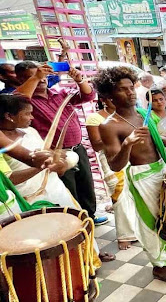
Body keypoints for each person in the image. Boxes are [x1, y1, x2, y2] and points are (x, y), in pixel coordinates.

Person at [95, 66, 166, 284]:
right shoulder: (109, 125)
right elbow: (115, 165)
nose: (129, 93)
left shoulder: (141, 113)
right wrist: (127, 144)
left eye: (131, 87)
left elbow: (157, 138)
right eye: (122, 89)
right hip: (142, 175)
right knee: (152, 221)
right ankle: (159, 265)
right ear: (109, 96)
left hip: (162, 166)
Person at [0, 94, 115, 264]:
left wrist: (60, 158)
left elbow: (45, 154)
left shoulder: (30, 131)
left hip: (54, 188)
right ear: (9, 116)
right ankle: (70, 270)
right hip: (28, 197)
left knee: (76, 224)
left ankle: (92, 256)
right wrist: (41, 165)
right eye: (27, 114)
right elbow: (10, 180)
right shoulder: (3, 142)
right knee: (48, 238)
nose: (32, 117)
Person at [15, 61, 108, 226]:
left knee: (86, 186)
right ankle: (75, 223)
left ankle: (90, 217)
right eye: (34, 76)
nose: (42, 79)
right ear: (22, 80)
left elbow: (88, 95)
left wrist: (79, 80)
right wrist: (35, 78)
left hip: (78, 149)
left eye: (42, 75)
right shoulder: (25, 102)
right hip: (56, 154)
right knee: (68, 190)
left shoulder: (59, 93)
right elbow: (18, 100)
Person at [86, 95, 132, 249]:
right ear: (105, 99)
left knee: (134, 194)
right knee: (118, 194)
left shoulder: (128, 114)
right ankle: (124, 235)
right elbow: (97, 146)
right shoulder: (95, 117)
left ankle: (138, 229)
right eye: (113, 96)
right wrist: (116, 136)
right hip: (110, 159)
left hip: (132, 156)